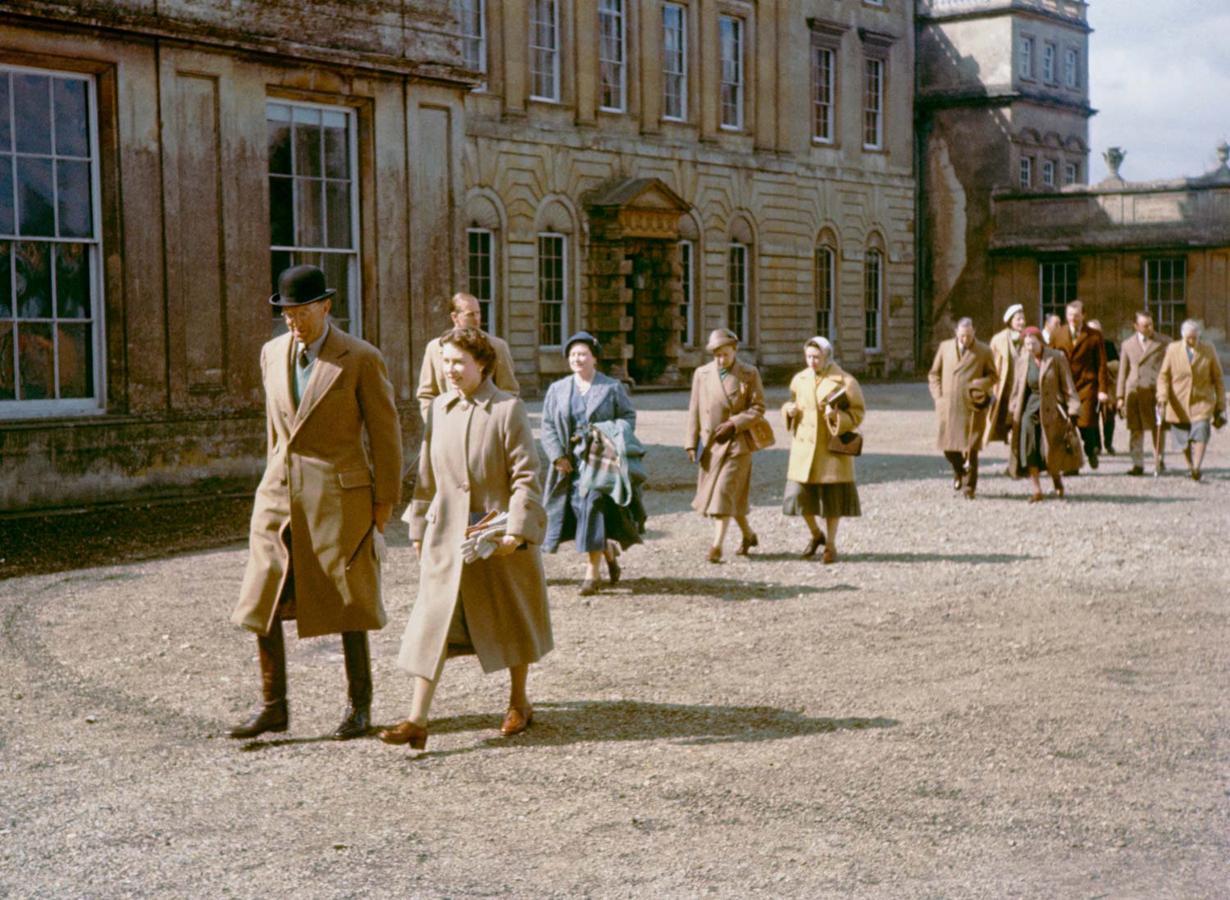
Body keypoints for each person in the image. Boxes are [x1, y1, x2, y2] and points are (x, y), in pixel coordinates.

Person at [229, 264, 403, 740]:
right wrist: (269, 479)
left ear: (325, 307)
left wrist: (383, 505)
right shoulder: (271, 354)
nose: (293, 322)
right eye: (286, 313)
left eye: (302, 312)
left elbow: (386, 437)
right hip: (279, 496)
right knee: (261, 596)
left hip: (339, 499)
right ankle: (273, 705)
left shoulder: (360, 358)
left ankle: (359, 705)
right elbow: (274, 429)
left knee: (349, 602)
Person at [380, 328, 552, 751]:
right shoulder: (439, 408)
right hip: (447, 536)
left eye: (459, 362)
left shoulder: (508, 410)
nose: (450, 370)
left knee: (510, 619)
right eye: (445, 362)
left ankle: (519, 702)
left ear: (483, 364)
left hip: (495, 535)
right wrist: (419, 527)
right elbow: (426, 478)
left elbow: (527, 476)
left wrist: (515, 531)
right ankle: (417, 719)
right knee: (431, 621)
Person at [541, 331, 643, 595]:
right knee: (578, 512)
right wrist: (557, 456)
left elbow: (628, 417)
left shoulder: (611, 387)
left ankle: (591, 573)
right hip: (570, 465)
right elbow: (548, 425)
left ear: (594, 358)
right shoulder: (557, 389)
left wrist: (609, 435)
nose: (577, 359)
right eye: (573, 354)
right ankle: (608, 554)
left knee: (593, 505)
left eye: (583, 354)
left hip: (601, 462)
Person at [685, 328, 767, 563]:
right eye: (717, 355)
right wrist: (691, 443)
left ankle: (716, 547)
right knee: (733, 496)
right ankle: (749, 535)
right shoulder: (701, 374)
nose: (721, 359)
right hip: (711, 445)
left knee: (722, 494)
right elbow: (695, 409)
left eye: (726, 354)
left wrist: (735, 423)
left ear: (735, 350)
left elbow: (759, 407)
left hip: (737, 444)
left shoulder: (749, 374)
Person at [781, 336, 864, 563]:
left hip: (831, 451)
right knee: (797, 495)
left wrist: (837, 416)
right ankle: (816, 534)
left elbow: (858, 414)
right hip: (804, 450)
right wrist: (788, 410)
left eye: (816, 357)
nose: (812, 361)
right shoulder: (799, 379)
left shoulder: (846, 381)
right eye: (808, 356)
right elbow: (791, 402)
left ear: (827, 356)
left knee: (832, 500)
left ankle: (831, 544)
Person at [416, 291, 519, 420]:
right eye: (470, 315)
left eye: (478, 313)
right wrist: (435, 423)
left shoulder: (497, 346)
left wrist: (493, 422)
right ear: (455, 317)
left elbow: (509, 391)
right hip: (447, 424)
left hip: (484, 424)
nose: (477, 319)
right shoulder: (435, 348)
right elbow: (426, 394)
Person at [1008, 327, 1082, 501]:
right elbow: (1017, 389)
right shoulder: (1022, 360)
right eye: (1026, 344)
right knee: (1029, 447)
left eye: (1033, 343)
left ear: (1041, 342)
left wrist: (1073, 409)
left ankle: (1056, 479)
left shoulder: (1056, 357)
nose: (1030, 347)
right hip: (1029, 408)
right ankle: (1037, 490)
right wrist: (1011, 413)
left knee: (1050, 447)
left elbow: (1068, 386)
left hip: (1051, 409)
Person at [928, 318, 997, 499]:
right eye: (962, 336)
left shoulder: (983, 350)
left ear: (974, 332)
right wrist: (938, 397)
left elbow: (993, 375)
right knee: (949, 448)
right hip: (949, 405)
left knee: (971, 448)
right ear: (956, 333)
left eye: (969, 335)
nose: (966, 339)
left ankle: (969, 488)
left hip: (972, 405)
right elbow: (934, 374)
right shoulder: (945, 347)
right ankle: (959, 470)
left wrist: (980, 384)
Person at [1157, 319, 1226, 481]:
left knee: (1201, 430)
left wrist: (1221, 403)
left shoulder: (1208, 350)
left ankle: (1197, 467)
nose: (1192, 341)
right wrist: (1162, 396)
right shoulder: (1173, 349)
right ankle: (1189, 465)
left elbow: (1218, 378)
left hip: (1202, 401)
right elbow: (1163, 376)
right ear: (1183, 336)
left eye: (1195, 337)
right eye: (1188, 338)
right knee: (1183, 438)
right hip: (1178, 402)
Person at [1049, 300, 1110, 469]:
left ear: (1083, 315)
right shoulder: (1057, 334)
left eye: (1076, 316)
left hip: (1086, 386)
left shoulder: (1094, 336)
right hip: (1065, 386)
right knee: (1067, 425)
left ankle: (1091, 450)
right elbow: (1049, 360)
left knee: (1086, 422)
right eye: (1069, 315)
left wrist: (1103, 390)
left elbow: (1102, 364)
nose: (1072, 319)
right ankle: (1070, 463)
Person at [1115, 311, 1170, 476]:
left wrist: (1167, 394)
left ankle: (1158, 461)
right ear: (1136, 326)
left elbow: (1169, 370)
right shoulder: (1127, 345)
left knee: (1157, 428)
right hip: (1135, 391)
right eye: (1145, 325)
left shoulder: (1164, 342)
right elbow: (1122, 372)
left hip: (1155, 391)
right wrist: (1119, 397)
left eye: (1151, 324)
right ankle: (1137, 464)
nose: (1149, 328)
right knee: (1135, 429)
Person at [985, 303, 1027, 448]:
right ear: (1010, 321)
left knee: (1020, 414)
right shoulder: (998, 339)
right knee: (1003, 413)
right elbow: (990, 363)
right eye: (1018, 319)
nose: (1022, 322)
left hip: (1022, 384)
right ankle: (1007, 435)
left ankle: (1015, 440)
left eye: (1023, 319)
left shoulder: (1029, 337)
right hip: (1004, 384)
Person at [1087, 319, 1120, 455]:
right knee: (1092, 417)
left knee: (1109, 417)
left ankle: (1108, 443)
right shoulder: (1085, 346)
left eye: (1097, 330)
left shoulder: (1108, 345)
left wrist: (1103, 367)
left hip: (1108, 386)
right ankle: (1097, 446)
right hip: (1091, 387)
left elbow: (1117, 364)